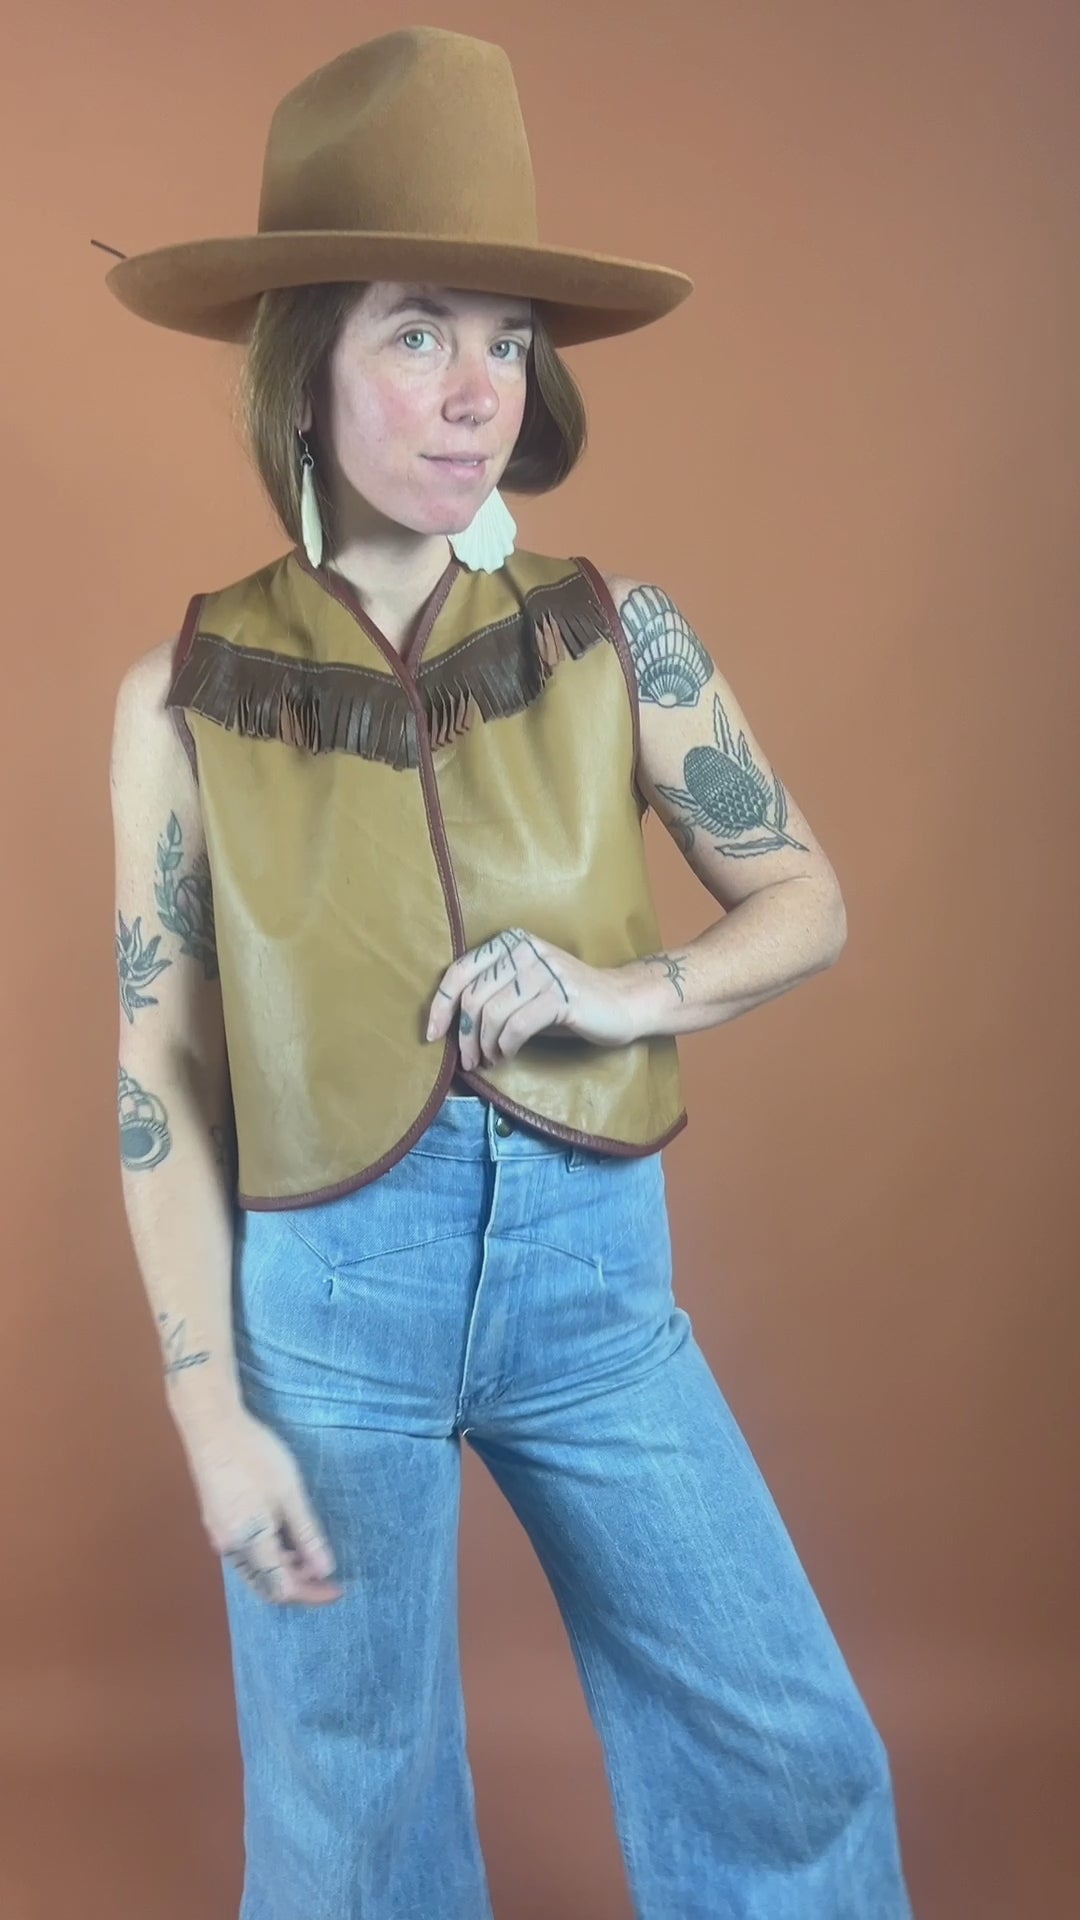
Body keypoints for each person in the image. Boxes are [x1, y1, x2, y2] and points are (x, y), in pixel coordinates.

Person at [105, 26, 915, 1920]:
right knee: (350, 1827)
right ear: (303, 369)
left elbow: (802, 895)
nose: (479, 391)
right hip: (325, 1310)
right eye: (418, 332)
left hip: (592, 1286)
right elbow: (161, 1072)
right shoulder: (180, 696)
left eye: (508, 338)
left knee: (786, 1750)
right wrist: (214, 1420)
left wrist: (627, 992)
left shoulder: (612, 634)